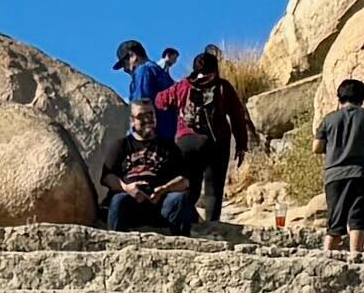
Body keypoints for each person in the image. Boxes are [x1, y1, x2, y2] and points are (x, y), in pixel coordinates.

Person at [172, 48, 255, 235]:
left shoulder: (182, 86)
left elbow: (161, 100)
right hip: (217, 142)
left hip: (186, 141)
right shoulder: (223, 86)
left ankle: (184, 225)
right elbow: (237, 116)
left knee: (188, 184)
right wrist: (241, 145)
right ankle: (212, 229)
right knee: (213, 189)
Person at [314, 76, 364, 258]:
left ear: (339, 98)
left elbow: (316, 147)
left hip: (334, 174)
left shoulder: (329, 119)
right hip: (362, 173)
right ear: (363, 98)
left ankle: (326, 255)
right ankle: (356, 256)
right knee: (358, 217)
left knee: (335, 219)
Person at [100, 102, 198, 235]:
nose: (147, 119)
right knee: (118, 200)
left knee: (179, 200)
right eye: (141, 116)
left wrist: (164, 189)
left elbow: (185, 180)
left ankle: (182, 244)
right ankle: (116, 245)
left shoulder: (169, 147)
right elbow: (107, 177)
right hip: (132, 202)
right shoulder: (121, 145)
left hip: (161, 204)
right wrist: (127, 188)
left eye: (150, 114)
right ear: (132, 121)